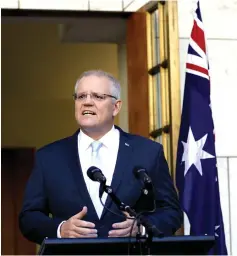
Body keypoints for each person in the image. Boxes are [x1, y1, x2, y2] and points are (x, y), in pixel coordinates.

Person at [19, 70, 182, 245]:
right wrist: (60, 229)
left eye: (97, 96)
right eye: (81, 97)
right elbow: (29, 218)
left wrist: (141, 228)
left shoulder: (148, 152)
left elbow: (171, 212)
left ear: (116, 107)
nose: (87, 102)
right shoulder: (49, 157)